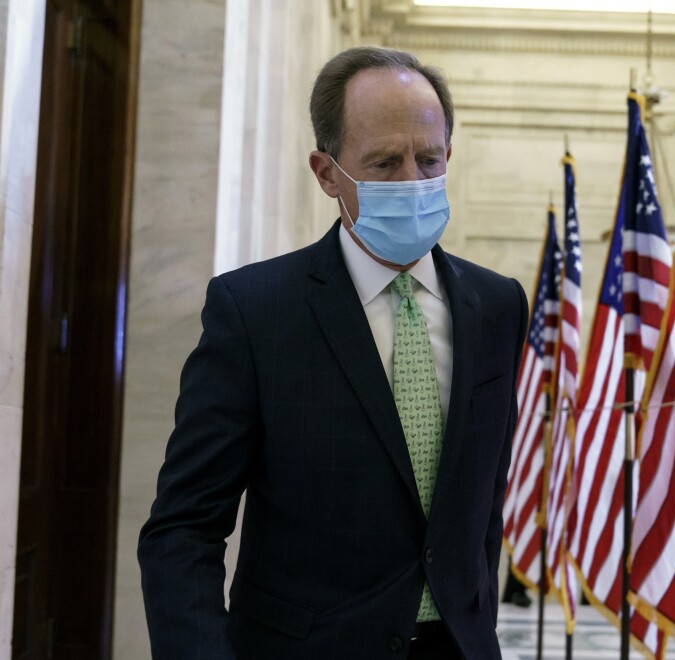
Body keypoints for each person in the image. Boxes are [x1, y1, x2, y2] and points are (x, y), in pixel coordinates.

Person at [138, 46, 528, 659]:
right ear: (326, 174)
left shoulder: (499, 306)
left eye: (429, 160)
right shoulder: (255, 311)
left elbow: (481, 504)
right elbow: (183, 527)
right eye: (383, 163)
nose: (412, 182)